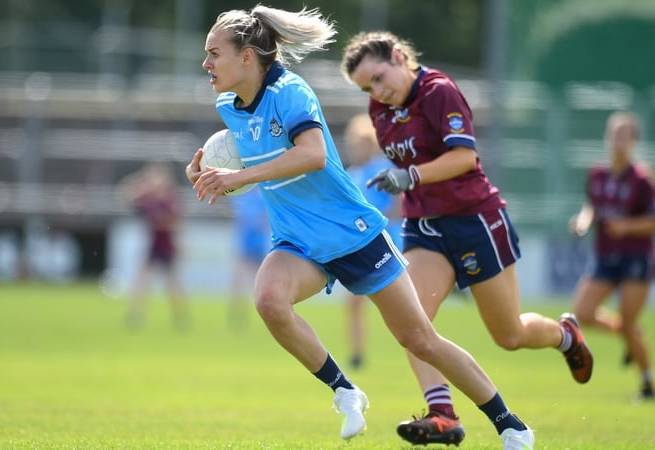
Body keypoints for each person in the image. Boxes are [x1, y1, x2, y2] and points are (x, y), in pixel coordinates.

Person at [187, 6, 534, 448]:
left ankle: (510, 425)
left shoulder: (291, 92)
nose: (207, 64)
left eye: (214, 53)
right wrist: (202, 174)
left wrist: (238, 178)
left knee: (420, 339)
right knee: (270, 302)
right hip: (297, 241)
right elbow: (248, 160)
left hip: (353, 234)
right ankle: (346, 390)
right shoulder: (227, 107)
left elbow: (311, 154)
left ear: (247, 56)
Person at [340, 30, 594, 446]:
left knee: (509, 335)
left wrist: (411, 176)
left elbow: (464, 157)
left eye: (381, 78)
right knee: (412, 323)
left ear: (400, 57)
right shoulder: (379, 108)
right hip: (425, 225)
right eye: (369, 87)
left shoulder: (439, 92)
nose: (378, 91)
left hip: (474, 221)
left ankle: (565, 335)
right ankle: (443, 414)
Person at [569, 111, 655, 401]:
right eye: (614, 134)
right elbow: (592, 206)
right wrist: (583, 222)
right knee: (582, 313)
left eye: (625, 136)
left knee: (628, 321)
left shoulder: (643, 179)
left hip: (636, 258)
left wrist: (627, 226)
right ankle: (630, 337)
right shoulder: (597, 173)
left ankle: (647, 384)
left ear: (633, 141)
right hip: (605, 255)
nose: (618, 141)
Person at [342, 113, 403, 369]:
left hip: (389, 243)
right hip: (361, 248)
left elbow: (400, 206)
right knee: (354, 303)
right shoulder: (351, 174)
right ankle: (357, 354)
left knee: (399, 305)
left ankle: (416, 347)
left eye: (365, 141)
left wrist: (375, 224)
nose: (360, 146)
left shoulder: (384, 169)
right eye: (357, 141)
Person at [117, 162, 190, 330]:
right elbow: (124, 195)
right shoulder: (148, 200)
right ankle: (136, 314)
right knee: (142, 280)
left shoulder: (169, 201)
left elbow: (175, 222)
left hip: (166, 245)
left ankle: (180, 315)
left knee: (173, 283)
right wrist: (140, 183)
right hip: (152, 245)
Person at [227, 186, 270, 328]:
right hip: (245, 244)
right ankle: (238, 313)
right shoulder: (242, 197)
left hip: (259, 244)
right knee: (239, 280)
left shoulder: (263, 197)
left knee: (261, 283)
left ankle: (267, 313)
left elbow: (266, 221)